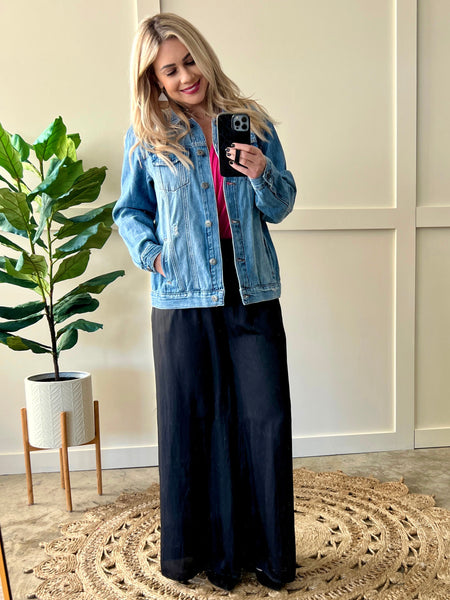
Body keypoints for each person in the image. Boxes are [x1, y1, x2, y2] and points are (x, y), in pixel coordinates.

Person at [113, 12, 297, 592]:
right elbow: (129, 210)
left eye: (189, 60)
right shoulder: (147, 137)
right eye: (169, 70)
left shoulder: (253, 123)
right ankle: (200, 555)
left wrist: (262, 173)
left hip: (251, 293)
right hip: (182, 299)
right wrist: (152, 254)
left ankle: (268, 555)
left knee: (264, 422)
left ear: (204, 55)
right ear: (154, 80)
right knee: (193, 426)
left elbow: (280, 206)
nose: (185, 76)